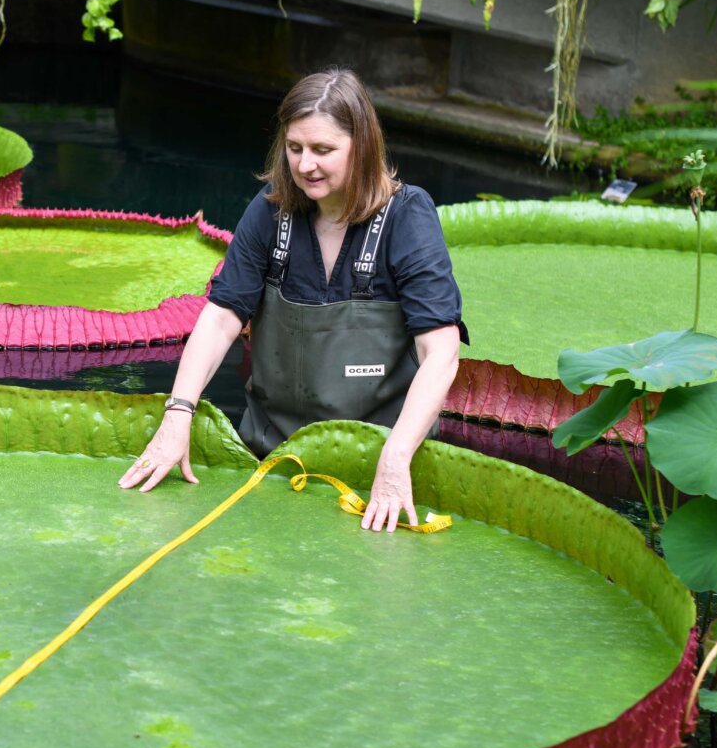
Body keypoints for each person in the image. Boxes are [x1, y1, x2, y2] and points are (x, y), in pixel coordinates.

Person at [118, 69, 466, 531]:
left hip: (380, 461)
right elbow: (222, 317)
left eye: (323, 150)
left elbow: (440, 352)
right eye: (295, 148)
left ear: (362, 146)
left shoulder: (408, 216)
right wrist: (179, 412)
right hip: (272, 459)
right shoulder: (269, 211)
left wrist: (396, 455)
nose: (305, 165)